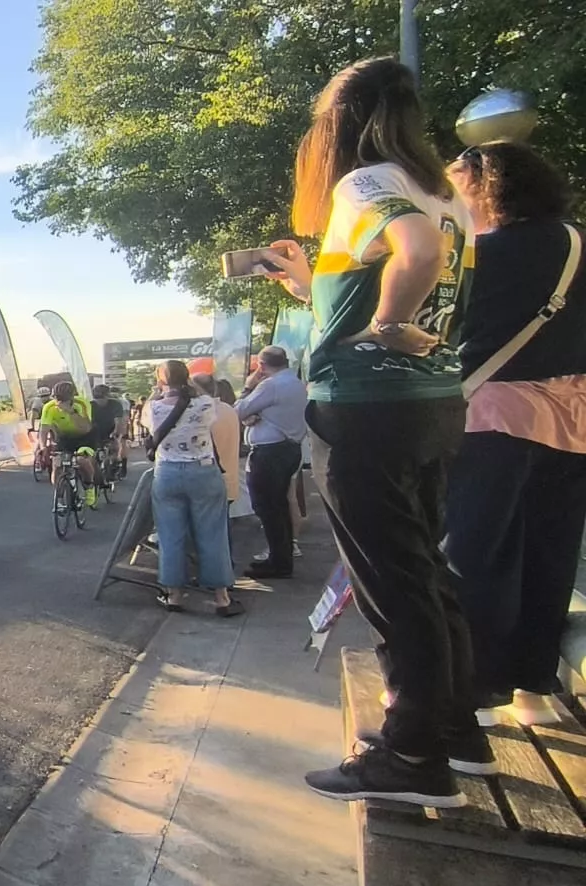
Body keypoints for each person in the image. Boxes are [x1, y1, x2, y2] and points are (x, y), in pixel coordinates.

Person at [259, 56, 489, 806]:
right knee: (425, 566)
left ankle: (413, 755)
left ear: (338, 126)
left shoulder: (366, 184)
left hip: (367, 408)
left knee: (392, 583)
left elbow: (415, 255)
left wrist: (388, 321)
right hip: (432, 401)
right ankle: (455, 726)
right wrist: (306, 282)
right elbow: (417, 263)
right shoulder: (443, 191)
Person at [440, 141, 586, 728]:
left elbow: (438, 330)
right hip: (573, 419)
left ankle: (473, 692)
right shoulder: (577, 242)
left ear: (482, 185)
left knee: (477, 551)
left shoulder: (480, 255)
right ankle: (534, 689)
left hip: (495, 413)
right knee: (550, 551)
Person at [146, 361, 242, 616]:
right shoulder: (204, 404)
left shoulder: (152, 407)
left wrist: (159, 391)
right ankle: (222, 598)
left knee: (170, 536)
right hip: (202, 470)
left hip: (166, 473)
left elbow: (152, 425)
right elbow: (208, 411)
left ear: (161, 381)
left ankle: (174, 595)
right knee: (212, 533)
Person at [235, 346, 308, 578]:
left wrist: (248, 386)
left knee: (267, 507)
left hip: (269, 452)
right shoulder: (296, 384)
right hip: (290, 447)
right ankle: (281, 557)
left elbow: (239, 410)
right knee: (280, 505)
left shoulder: (270, 385)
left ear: (261, 366)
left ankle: (279, 561)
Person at [39, 381, 100, 508]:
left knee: (82, 460)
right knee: (57, 464)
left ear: (72, 398)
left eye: (63, 399)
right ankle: (60, 498)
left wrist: (71, 413)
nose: (59, 402)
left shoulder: (82, 403)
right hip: (64, 438)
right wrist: (43, 447)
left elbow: (86, 428)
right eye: (57, 398)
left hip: (85, 437)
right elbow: (43, 430)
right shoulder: (49, 407)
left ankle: (89, 487)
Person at [89, 383, 128, 483]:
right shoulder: (90, 405)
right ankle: (96, 473)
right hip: (95, 430)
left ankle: (114, 466)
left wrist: (115, 433)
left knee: (114, 449)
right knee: (92, 454)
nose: (100, 402)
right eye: (98, 399)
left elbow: (118, 421)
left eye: (102, 399)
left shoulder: (115, 404)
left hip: (111, 428)